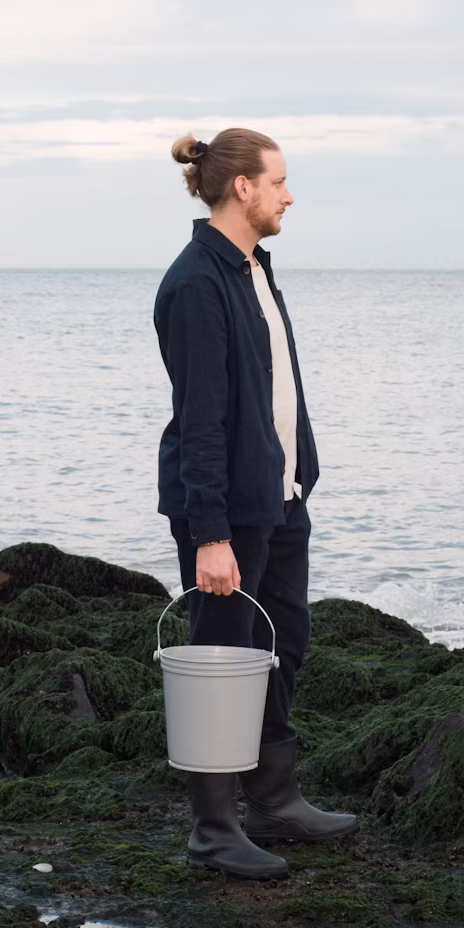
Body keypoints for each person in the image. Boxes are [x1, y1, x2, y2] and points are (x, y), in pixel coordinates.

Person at [153, 128, 358, 880]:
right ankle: (213, 828)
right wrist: (210, 534)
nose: (288, 195)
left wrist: (299, 475)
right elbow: (202, 418)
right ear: (243, 187)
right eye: (279, 181)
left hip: (278, 497)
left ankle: (274, 800)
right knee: (221, 663)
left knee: (284, 645)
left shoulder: (251, 270)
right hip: (225, 511)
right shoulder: (195, 283)